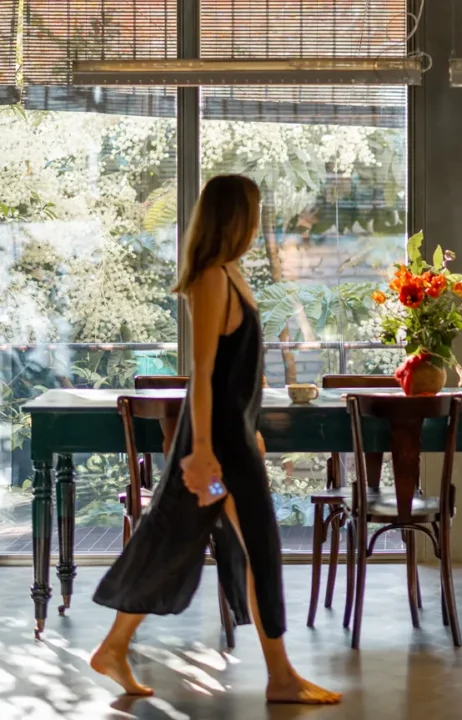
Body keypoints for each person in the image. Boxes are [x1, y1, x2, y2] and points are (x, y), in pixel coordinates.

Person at [89, 175, 342, 705]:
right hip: (214, 447)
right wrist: (202, 452)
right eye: (253, 212)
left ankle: (115, 647)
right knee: (256, 550)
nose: (258, 223)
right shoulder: (210, 279)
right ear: (235, 219)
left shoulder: (231, 273)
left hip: (231, 438)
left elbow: (234, 373)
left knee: (173, 543)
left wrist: (248, 427)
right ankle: (281, 678)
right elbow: (202, 373)